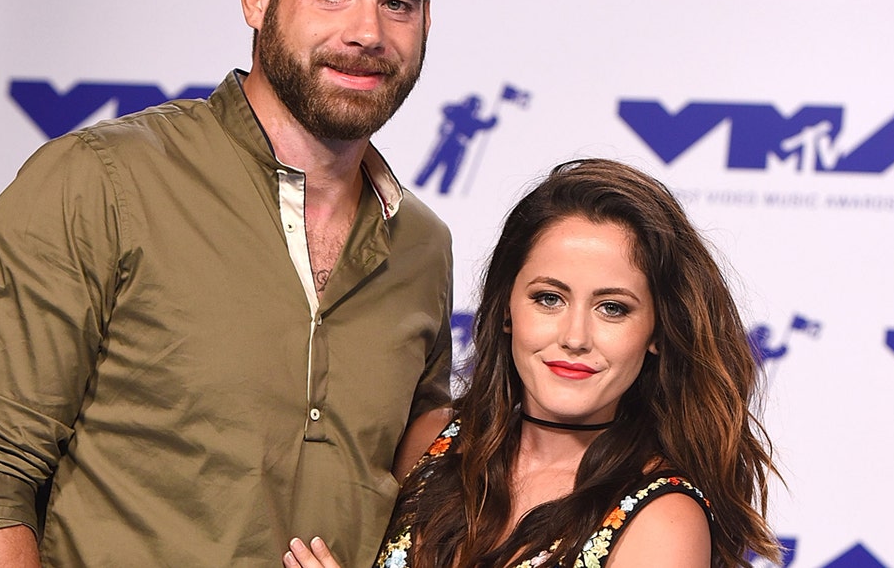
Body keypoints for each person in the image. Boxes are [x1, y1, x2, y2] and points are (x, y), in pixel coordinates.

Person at [0, 0, 451, 566]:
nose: (368, 32)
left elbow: (422, 495)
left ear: (426, 20)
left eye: (397, 3)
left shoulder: (422, 245)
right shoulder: (101, 182)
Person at [284, 159, 781, 568]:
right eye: (549, 299)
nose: (575, 338)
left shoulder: (664, 519)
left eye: (613, 308)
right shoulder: (431, 443)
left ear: (655, 333)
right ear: (506, 308)